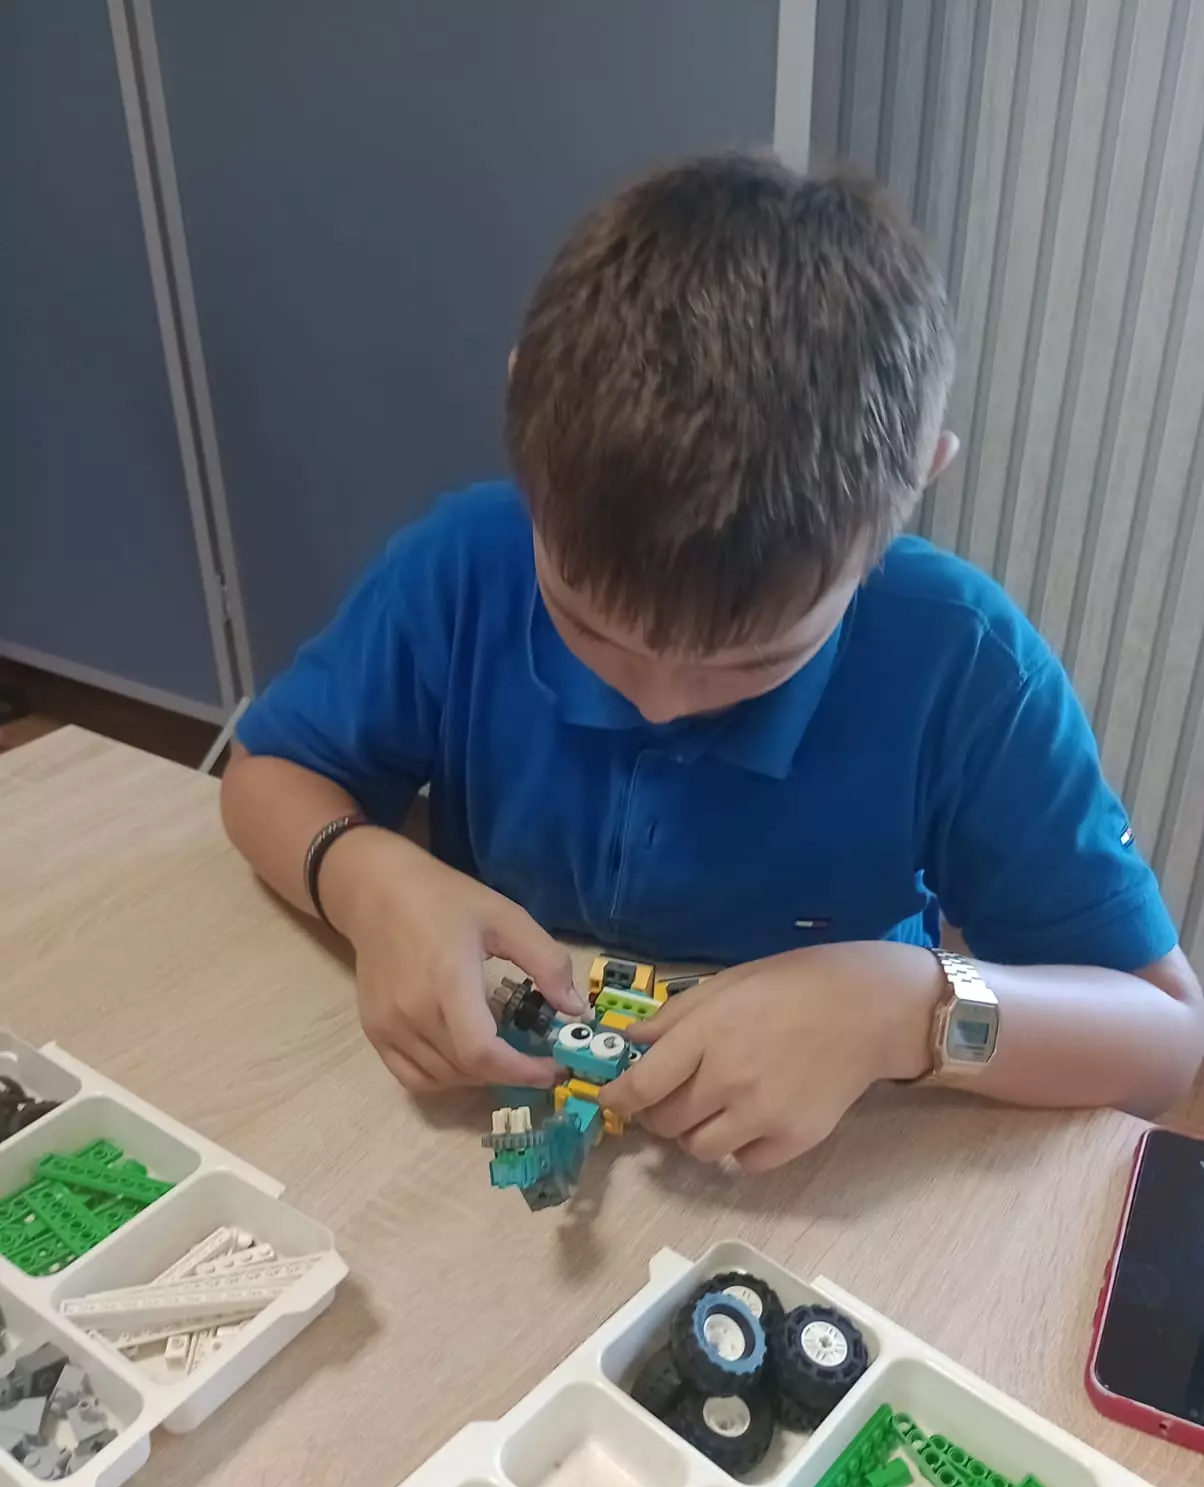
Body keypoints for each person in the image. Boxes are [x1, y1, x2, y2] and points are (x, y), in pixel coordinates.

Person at [221, 155, 1204, 1172]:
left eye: (754, 661)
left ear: (917, 478)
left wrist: (906, 1010)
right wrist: (367, 876)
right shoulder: (461, 565)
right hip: (487, 1135)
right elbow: (266, 772)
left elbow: (1165, 1041)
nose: (659, 700)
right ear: (522, 408)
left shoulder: (964, 661)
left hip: (817, 1180)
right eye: (587, 626)